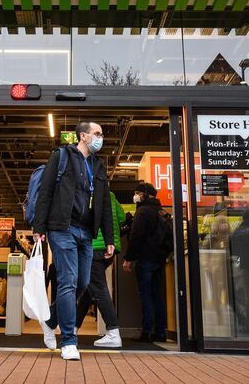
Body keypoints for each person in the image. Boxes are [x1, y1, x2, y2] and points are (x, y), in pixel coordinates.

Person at [33, 121, 114, 361]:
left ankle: (49, 321)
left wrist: (108, 237)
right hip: (62, 228)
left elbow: (105, 204)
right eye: (97, 133)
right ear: (83, 136)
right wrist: (39, 227)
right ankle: (68, 340)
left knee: (82, 282)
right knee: (68, 281)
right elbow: (46, 192)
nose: (101, 138)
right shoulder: (61, 156)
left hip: (86, 233)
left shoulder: (98, 165)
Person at [75, 191, 127, 348]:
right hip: (110, 248)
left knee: (98, 288)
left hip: (95, 246)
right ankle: (73, 327)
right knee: (88, 290)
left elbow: (85, 218)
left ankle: (113, 333)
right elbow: (122, 217)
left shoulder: (89, 194)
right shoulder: (111, 195)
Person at [122, 183, 169, 343]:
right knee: (157, 295)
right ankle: (161, 332)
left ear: (145, 195)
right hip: (159, 259)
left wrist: (128, 258)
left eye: (137, 193)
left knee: (145, 295)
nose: (135, 196)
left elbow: (136, 236)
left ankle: (147, 331)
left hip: (146, 258)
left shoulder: (142, 212)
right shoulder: (161, 212)